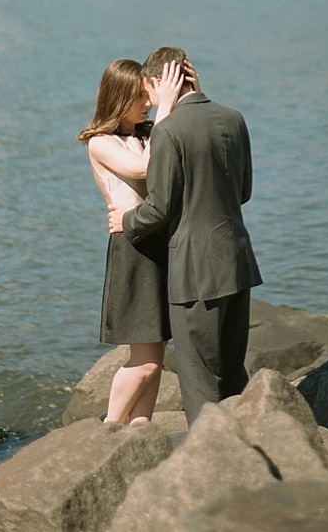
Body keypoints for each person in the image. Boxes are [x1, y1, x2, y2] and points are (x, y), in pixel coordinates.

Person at [108, 46, 262, 424]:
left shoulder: (169, 130)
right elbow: (243, 192)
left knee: (200, 381)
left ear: (161, 81)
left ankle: (209, 463)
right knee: (232, 372)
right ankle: (247, 455)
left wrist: (126, 221)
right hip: (237, 263)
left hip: (195, 273)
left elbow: (159, 208)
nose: (147, 98)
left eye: (148, 88)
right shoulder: (234, 118)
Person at [79, 57, 185, 425]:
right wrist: (168, 106)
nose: (149, 102)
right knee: (146, 360)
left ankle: (140, 428)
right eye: (140, 96)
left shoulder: (149, 132)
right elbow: (143, 169)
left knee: (157, 352)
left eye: (149, 95)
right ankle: (108, 430)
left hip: (158, 243)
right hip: (134, 248)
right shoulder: (99, 141)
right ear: (117, 97)